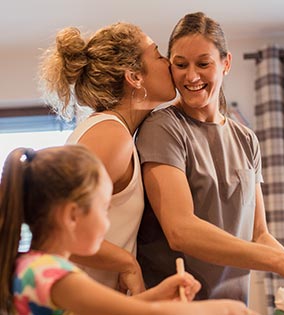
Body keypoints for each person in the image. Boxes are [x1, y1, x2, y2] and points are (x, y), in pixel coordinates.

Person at [136, 11, 284, 303]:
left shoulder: (246, 139)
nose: (191, 76)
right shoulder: (163, 128)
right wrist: (282, 263)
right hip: (178, 307)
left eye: (203, 64)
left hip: (233, 304)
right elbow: (180, 230)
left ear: (226, 63)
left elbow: (259, 234)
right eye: (180, 65)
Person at [0, 145, 258, 315]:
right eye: (104, 208)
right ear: (72, 216)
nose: (107, 221)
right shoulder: (56, 275)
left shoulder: (32, 267)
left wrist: (157, 295)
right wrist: (221, 309)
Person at [39, 22, 177, 294]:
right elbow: (57, 228)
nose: (168, 62)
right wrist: (128, 265)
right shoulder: (112, 136)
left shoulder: (113, 132)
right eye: (158, 54)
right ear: (135, 77)